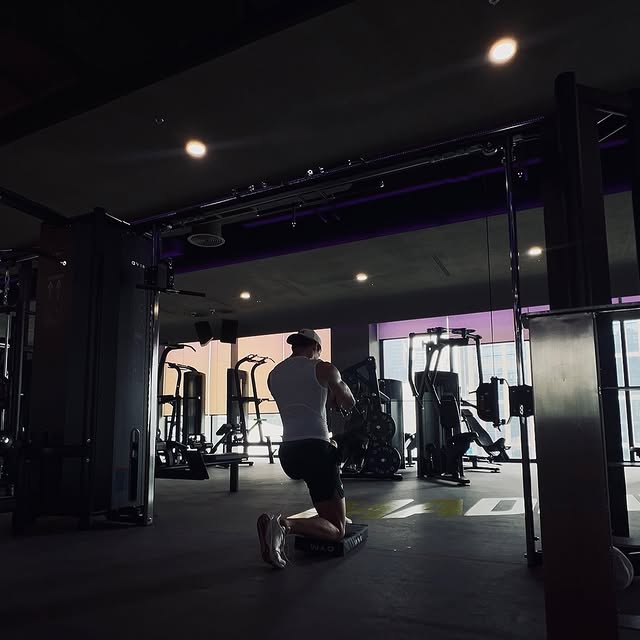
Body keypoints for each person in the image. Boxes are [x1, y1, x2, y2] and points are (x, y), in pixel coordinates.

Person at [256, 328, 356, 569]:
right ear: (316, 347)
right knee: (337, 531)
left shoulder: (273, 374)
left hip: (288, 453)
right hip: (315, 451)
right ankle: (283, 525)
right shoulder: (324, 368)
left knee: (331, 451)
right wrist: (336, 391)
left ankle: (334, 514)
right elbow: (349, 402)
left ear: (294, 346)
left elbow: (299, 400)